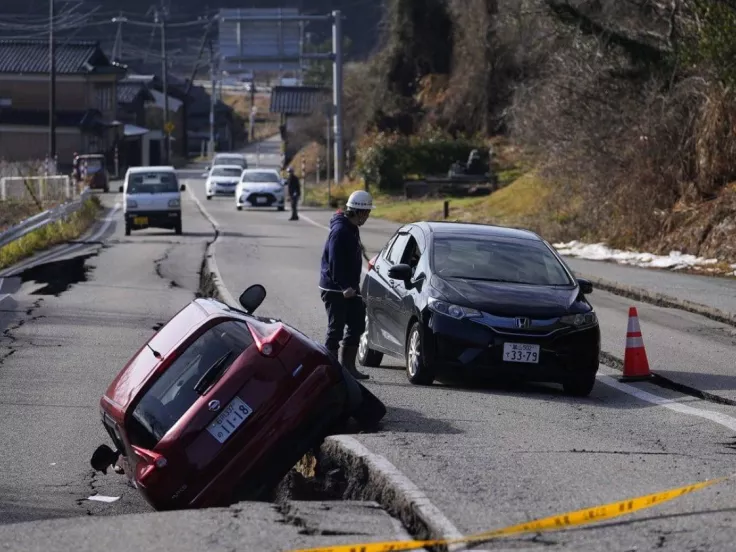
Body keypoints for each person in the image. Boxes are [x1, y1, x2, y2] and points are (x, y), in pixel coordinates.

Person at [319, 190, 374, 380]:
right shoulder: (340, 231)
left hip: (350, 287)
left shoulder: (352, 228)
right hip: (335, 288)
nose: (367, 217)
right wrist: (344, 287)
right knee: (336, 328)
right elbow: (335, 262)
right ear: (357, 212)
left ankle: (348, 367)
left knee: (358, 324)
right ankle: (331, 369)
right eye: (365, 213)